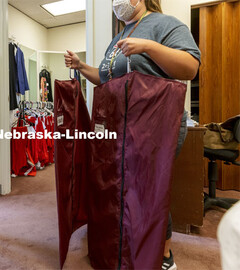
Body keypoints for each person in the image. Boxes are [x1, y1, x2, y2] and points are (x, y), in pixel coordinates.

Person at [64, 0, 200, 269]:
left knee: (149, 189)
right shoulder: (118, 37)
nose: (118, 2)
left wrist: (148, 46)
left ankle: (164, 256)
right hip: (121, 125)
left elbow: (190, 67)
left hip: (156, 124)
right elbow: (106, 79)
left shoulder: (165, 24)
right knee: (121, 188)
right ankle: (127, 250)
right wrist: (81, 66)